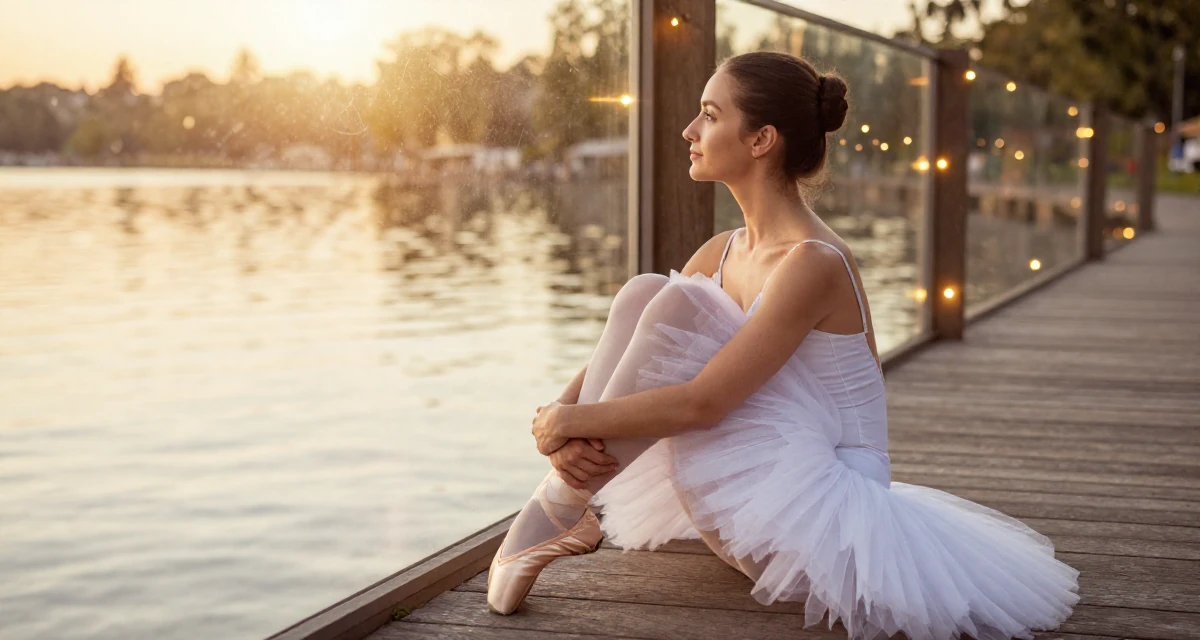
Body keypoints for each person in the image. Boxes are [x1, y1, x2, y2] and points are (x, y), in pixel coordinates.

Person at [486, 50, 1080, 639]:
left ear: (761, 139)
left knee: (669, 303)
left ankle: (553, 511)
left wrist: (570, 420)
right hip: (753, 479)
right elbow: (637, 344)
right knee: (649, 293)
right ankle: (563, 500)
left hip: (822, 508)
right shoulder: (721, 251)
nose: (690, 131)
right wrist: (561, 420)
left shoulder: (813, 262)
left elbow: (703, 405)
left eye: (710, 115)